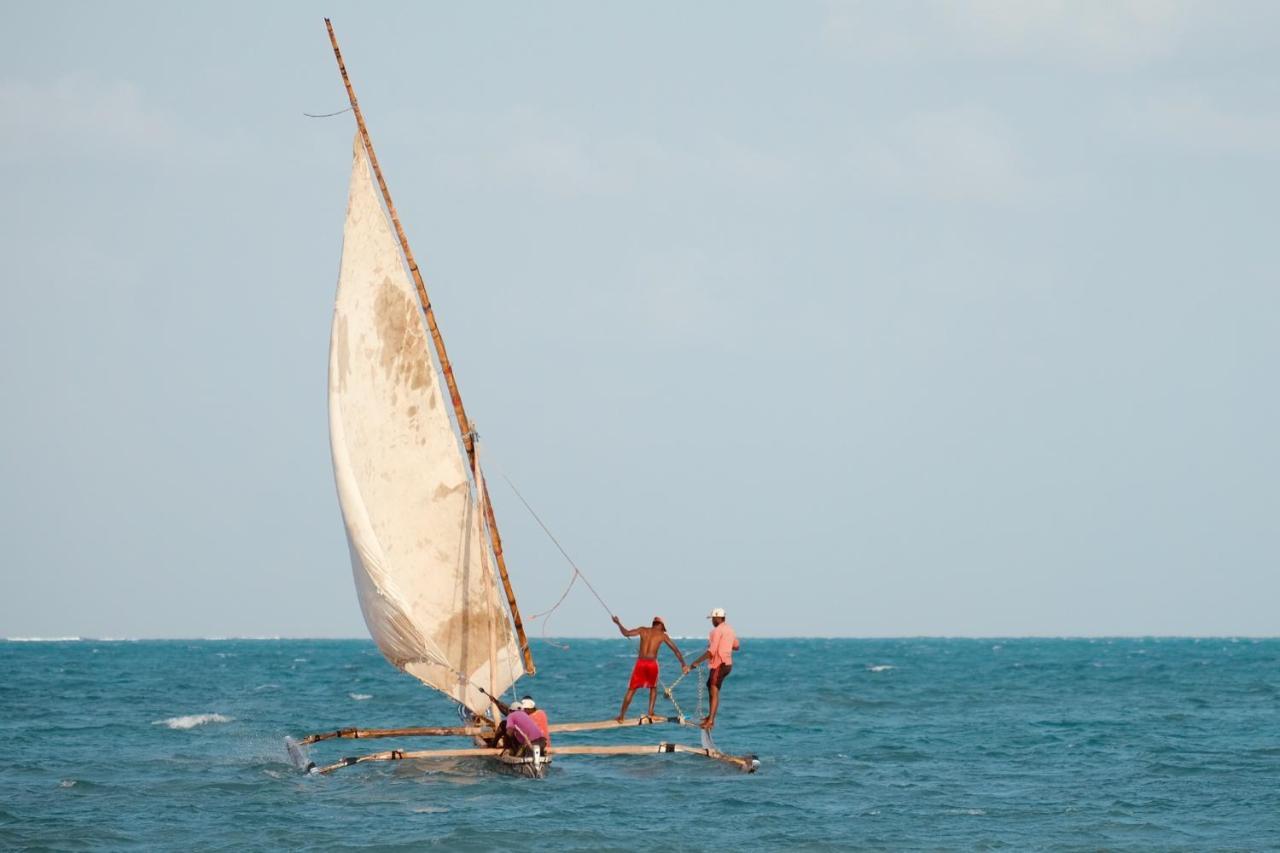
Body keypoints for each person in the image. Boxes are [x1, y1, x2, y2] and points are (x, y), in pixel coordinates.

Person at [613, 614, 687, 722]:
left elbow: (626, 633)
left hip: (640, 663)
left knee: (632, 689)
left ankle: (621, 716)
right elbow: (675, 650)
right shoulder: (662, 635)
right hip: (652, 664)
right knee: (653, 687)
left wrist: (618, 623)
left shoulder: (643, 630)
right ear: (661, 625)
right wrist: (683, 664)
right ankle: (651, 711)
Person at [683, 607, 738, 729]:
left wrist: (693, 664)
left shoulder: (716, 631)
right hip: (727, 665)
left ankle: (711, 721)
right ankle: (710, 717)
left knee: (714, 689)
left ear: (718, 618)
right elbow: (736, 646)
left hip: (720, 664)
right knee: (711, 686)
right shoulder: (730, 629)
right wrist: (725, 644)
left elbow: (711, 652)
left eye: (713, 619)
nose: (712, 621)